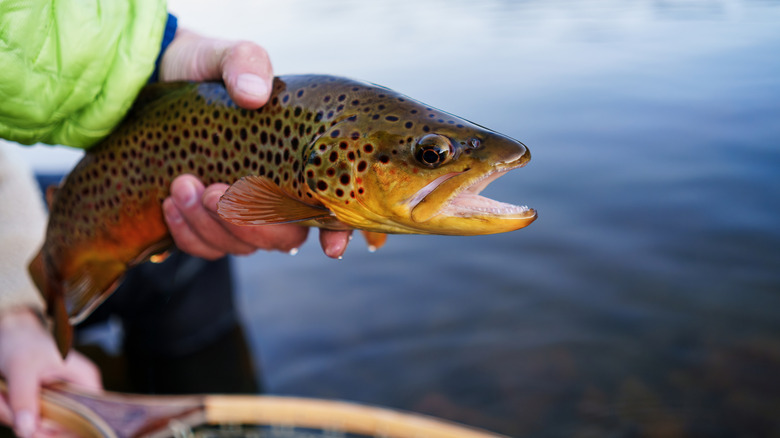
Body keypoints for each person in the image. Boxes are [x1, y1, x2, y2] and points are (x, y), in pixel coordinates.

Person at [0, 3, 351, 437]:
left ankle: (225, 429)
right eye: (429, 156)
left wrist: (158, 59)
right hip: (63, 234)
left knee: (191, 260)